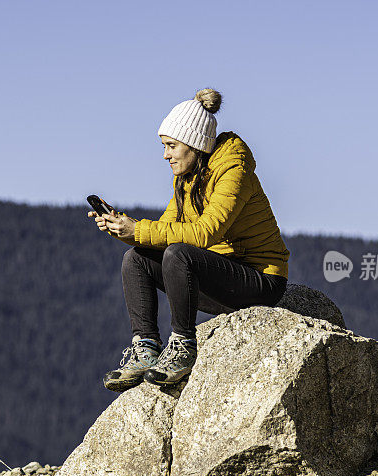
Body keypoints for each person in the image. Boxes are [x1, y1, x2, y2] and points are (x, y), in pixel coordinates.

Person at [87, 88, 290, 392]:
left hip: (260, 282)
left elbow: (206, 233)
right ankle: (145, 350)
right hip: (220, 279)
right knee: (137, 258)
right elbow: (163, 231)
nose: (165, 154)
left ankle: (183, 347)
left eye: (171, 146)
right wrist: (123, 229)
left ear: (194, 145)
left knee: (179, 254)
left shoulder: (234, 170)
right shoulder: (187, 176)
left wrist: (138, 229)